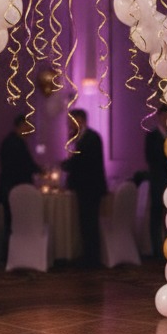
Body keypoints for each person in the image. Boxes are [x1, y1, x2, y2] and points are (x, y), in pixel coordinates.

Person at [62, 108, 108, 267]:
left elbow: (82, 162)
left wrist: (65, 165)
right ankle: (88, 256)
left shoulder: (91, 138)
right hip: (86, 187)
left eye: (71, 121)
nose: (69, 124)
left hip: (90, 187)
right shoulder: (82, 137)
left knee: (89, 223)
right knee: (86, 222)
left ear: (80, 120)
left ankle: (91, 259)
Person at [0, 115, 41, 251]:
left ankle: (10, 254)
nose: (30, 129)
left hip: (8, 187)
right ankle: (14, 253)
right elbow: (25, 164)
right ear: (21, 125)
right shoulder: (17, 143)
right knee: (15, 222)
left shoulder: (9, 141)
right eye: (28, 126)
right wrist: (41, 171)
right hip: (14, 188)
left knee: (11, 222)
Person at [144, 105, 167, 256]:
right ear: (159, 117)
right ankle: (157, 250)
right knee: (156, 215)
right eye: (164, 116)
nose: (166, 119)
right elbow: (151, 158)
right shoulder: (152, 136)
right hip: (158, 181)